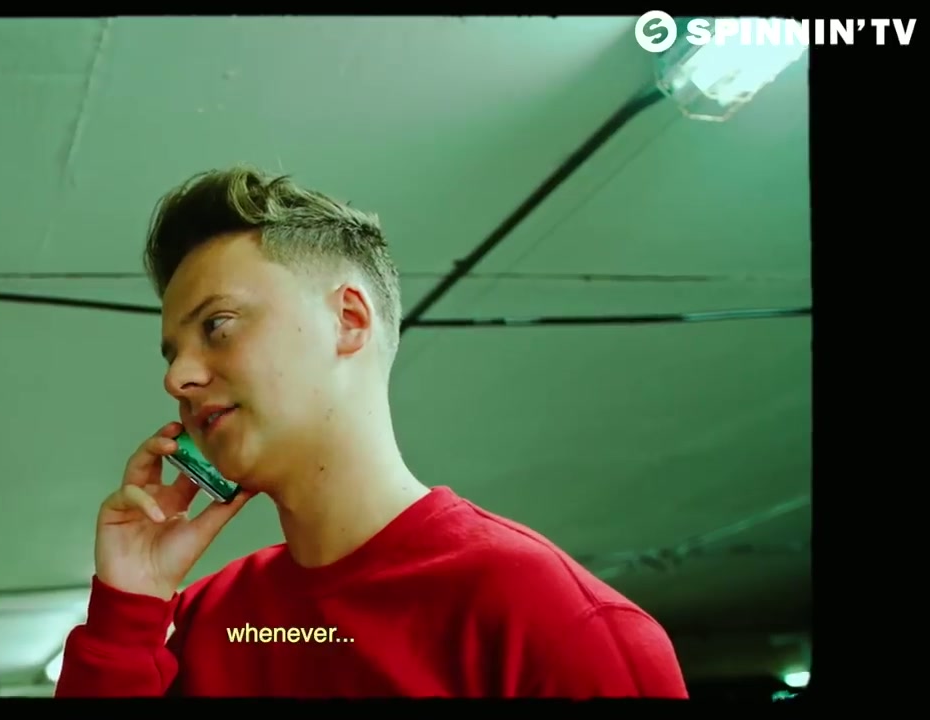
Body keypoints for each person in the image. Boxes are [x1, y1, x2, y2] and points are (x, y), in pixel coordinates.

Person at [53, 166, 688, 698]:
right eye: (173, 354)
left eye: (217, 325)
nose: (178, 378)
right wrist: (125, 614)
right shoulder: (209, 625)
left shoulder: (555, 623)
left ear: (349, 320)